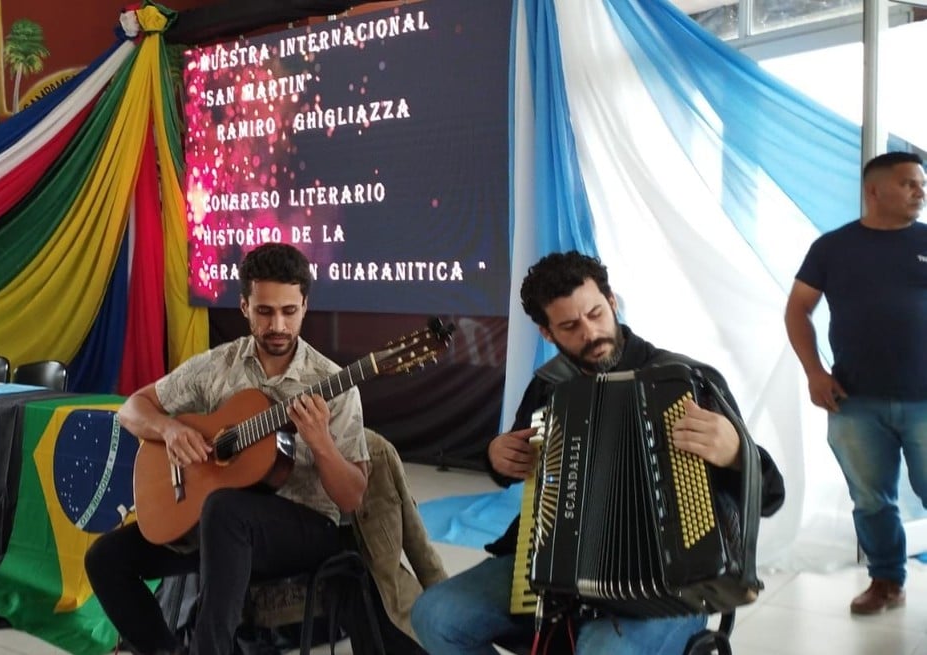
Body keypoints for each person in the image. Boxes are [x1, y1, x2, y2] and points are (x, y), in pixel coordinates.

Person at [411, 251, 786, 655]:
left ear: (612, 301)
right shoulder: (549, 387)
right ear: (547, 333)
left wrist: (737, 454)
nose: (590, 333)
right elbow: (517, 465)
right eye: (570, 326)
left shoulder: (688, 381)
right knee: (435, 615)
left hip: (672, 578)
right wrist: (497, 457)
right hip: (554, 564)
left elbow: (770, 496)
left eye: (595, 313)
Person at [85, 243, 369, 655]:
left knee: (223, 507)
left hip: (308, 527)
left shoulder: (333, 382)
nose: (278, 325)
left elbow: (353, 498)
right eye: (264, 311)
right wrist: (169, 430)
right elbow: (132, 409)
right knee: (106, 557)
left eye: (289, 312)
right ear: (243, 306)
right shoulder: (219, 366)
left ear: (305, 306)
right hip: (219, 525)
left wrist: (322, 444)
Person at [784, 151, 927, 615]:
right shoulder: (832, 248)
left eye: (921, 184)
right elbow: (797, 310)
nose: (920, 192)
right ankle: (886, 580)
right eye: (909, 183)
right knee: (870, 500)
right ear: (874, 190)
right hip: (855, 400)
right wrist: (814, 372)